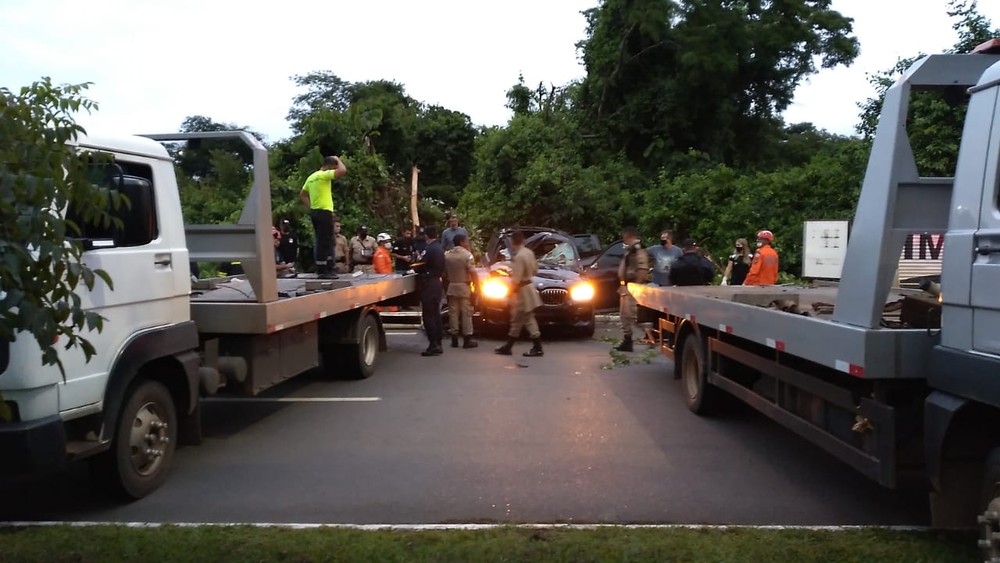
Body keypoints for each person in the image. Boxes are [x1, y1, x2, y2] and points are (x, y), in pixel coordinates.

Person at [495, 231, 544, 357]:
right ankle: (509, 346)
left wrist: (509, 294)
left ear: (512, 242)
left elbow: (515, 280)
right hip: (530, 287)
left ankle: (537, 347)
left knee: (525, 319)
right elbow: (535, 270)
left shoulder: (518, 257)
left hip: (522, 291)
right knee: (518, 319)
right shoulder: (529, 253)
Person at [299, 155, 347, 279]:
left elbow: (302, 195)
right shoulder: (323, 175)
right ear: (330, 166)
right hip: (324, 212)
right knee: (324, 241)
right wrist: (337, 159)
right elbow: (343, 171)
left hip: (317, 212)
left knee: (328, 240)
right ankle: (323, 270)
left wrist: (311, 209)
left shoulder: (311, 177)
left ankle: (329, 267)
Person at [615, 227, 650, 352]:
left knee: (633, 315)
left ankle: (651, 335)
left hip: (632, 286)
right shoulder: (630, 249)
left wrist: (636, 285)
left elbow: (642, 268)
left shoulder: (638, 249)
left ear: (629, 236)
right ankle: (627, 340)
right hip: (626, 286)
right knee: (624, 315)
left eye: (625, 236)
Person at [414, 225, 445, 356]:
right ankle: (438, 341)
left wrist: (413, 267)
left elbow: (421, 264)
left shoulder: (430, 248)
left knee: (429, 314)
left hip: (429, 283)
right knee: (436, 313)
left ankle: (433, 344)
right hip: (437, 282)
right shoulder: (439, 247)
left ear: (426, 236)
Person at [444, 233, 479, 349]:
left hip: (451, 286)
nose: (467, 243)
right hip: (464, 287)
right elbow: (473, 272)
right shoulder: (467, 255)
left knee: (453, 313)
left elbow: (444, 273)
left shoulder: (447, 255)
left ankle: (454, 338)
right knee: (466, 313)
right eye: (466, 241)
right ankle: (467, 339)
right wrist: (477, 287)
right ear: (461, 242)